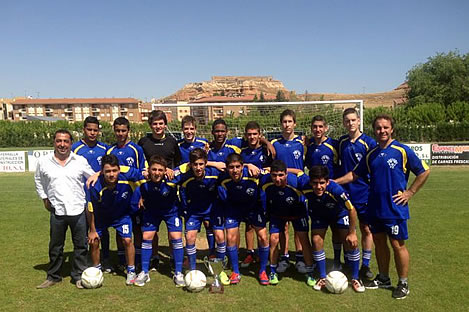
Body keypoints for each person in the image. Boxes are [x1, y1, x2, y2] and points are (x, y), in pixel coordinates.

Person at [335, 114, 430, 299]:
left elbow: (424, 171)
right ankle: (384, 277)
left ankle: (403, 283)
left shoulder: (402, 150)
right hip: (375, 207)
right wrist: (332, 182)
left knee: (397, 244)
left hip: (394, 208)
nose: (382, 131)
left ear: (391, 129)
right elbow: (355, 175)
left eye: (385, 127)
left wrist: (409, 193)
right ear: (374, 130)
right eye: (378, 128)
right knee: (379, 242)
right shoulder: (372, 154)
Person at [34, 129, 95, 289]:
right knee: (55, 246)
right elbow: (38, 180)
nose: (62, 144)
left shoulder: (79, 160)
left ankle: (78, 276)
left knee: (81, 246)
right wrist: (44, 198)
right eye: (59, 141)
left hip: (78, 210)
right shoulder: (44, 161)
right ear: (54, 142)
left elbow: (92, 176)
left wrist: (98, 175)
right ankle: (53, 276)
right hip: (57, 211)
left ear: (70, 143)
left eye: (66, 141)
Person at [302, 166, 364, 293]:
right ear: (310, 182)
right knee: (316, 240)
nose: (318, 187)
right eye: (315, 183)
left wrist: (352, 233)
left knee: (349, 242)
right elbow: (296, 173)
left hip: (339, 214)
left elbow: (351, 210)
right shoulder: (304, 186)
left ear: (328, 182)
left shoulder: (336, 190)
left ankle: (355, 278)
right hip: (319, 215)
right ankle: (323, 277)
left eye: (322, 183)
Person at [87, 154, 145, 285]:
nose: (111, 174)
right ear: (102, 172)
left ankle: (131, 271)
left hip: (122, 216)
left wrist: (142, 196)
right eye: (107, 171)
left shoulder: (127, 177)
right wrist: (92, 229)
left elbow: (143, 178)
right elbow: (90, 209)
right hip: (102, 217)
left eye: (114, 170)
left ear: (119, 170)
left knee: (127, 239)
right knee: (94, 241)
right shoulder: (95, 186)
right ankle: (96, 271)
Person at [213, 153, 270, 285]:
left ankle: (262, 270)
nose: (235, 170)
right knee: (231, 237)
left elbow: (271, 171)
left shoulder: (252, 174)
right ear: (227, 168)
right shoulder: (223, 179)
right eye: (231, 167)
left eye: (238, 167)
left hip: (253, 208)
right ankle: (236, 271)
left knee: (263, 237)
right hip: (234, 210)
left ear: (242, 166)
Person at [138, 110, 181, 270]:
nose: (158, 126)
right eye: (155, 124)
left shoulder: (172, 141)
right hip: (150, 190)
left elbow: (177, 163)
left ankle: (172, 255)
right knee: (151, 230)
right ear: (150, 125)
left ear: (165, 125)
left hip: (168, 190)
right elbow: (141, 165)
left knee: (173, 230)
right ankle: (154, 256)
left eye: (160, 123)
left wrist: (172, 171)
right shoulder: (144, 142)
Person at [133, 155, 185, 287]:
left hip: (171, 212)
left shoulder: (172, 178)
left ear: (165, 170)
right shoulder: (143, 181)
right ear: (149, 170)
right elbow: (125, 171)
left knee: (176, 236)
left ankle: (178, 273)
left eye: (160, 170)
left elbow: (189, 166)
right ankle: (144, 272)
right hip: (151, 212)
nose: (157, 173)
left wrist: (173, 170)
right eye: (154, 169)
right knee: (147, 236)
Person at [259, 159, 314, 285]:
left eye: (281, 175)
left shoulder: (297, 182)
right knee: (273, 239)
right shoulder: (265, 181)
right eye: (274, 175)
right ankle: (273, 271)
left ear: (286, 174)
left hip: (298, 213)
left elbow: (302, 173)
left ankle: (310, 272)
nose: (277, 179)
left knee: (304, 239)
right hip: (278, 213)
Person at [337, 108, 377, 279]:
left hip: (364, 193)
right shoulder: (341, 142)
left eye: (353, 120)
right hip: (345, 193)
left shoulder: (369, 143)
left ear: (359, 121)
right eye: (347, 120)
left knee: (366, 228)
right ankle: (349, 262)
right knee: (345, 229)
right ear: (343, 123)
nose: (350, 123)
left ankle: (365, 265)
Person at [72, 116, 112, 273]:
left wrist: (98, 173)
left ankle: (106, 258)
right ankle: (88, 257)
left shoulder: (104, 149)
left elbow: (110, 167)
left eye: (95, 130)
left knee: (103, 228)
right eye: (89, 129)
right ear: (84, 129)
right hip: (81, 195)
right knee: (84, 229)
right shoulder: (75, 149)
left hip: (100, 195)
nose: (92, 133)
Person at [173, 148, 223, 272]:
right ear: (190, 165)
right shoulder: (185, 177)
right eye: (195, 164)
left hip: (212, 209)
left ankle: (219, 266)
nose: (198, 168)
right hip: (193, 211)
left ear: (206, 163)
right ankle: (192, 268)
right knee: (189, 237)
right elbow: (169, 176)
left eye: (201, 164)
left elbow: (233, 169)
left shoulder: (214, 173)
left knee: (220, 236)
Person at [304, 115, 343, 273]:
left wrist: (335, 183)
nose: (318, 129)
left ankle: (337, 260)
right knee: (317, 232)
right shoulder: (310, 146)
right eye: (315, 126)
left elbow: (341, 164)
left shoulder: (334, 145)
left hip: (331, 192)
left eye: (321, 126)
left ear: (326, 128)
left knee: (336, 230)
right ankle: (316, 264)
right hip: (315, 193)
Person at [107, 117, 146, 272]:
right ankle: (122, 259)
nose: (120, 134)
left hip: (135, 197)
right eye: (117, 131)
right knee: (120, 229)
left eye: (123, 130)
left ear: (128, 131)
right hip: (118, 197)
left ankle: (137, 259)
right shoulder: (110, 151)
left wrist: (142, 195)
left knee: (137, 229)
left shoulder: (136, 150)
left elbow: (143, 173)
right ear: (114, 131)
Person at [271, 109, 306, 273]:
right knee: (283, 226)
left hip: (297, 190)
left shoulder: (302, 142)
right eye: (284, 122)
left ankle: (299, 257)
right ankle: (284, 257)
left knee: (299, 227)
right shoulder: (275, 144)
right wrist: (265, 141)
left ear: (295, 124)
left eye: (289, 121)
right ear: (281, 124)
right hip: (281, 189)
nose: (287, 125)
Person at [239, 121, 273, 268]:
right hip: (247, 194)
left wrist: (267, 143)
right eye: (249, 134)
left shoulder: (267, 150)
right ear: (246, 135)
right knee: (249, 225)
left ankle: (261, 253)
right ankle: (249, 253)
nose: (252, 137)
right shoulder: (242, 150)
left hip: (264, 192)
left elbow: (274, 166)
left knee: (262, 225)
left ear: (260, 135)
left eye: (255, 134)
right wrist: (247, 165)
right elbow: (237, 165)